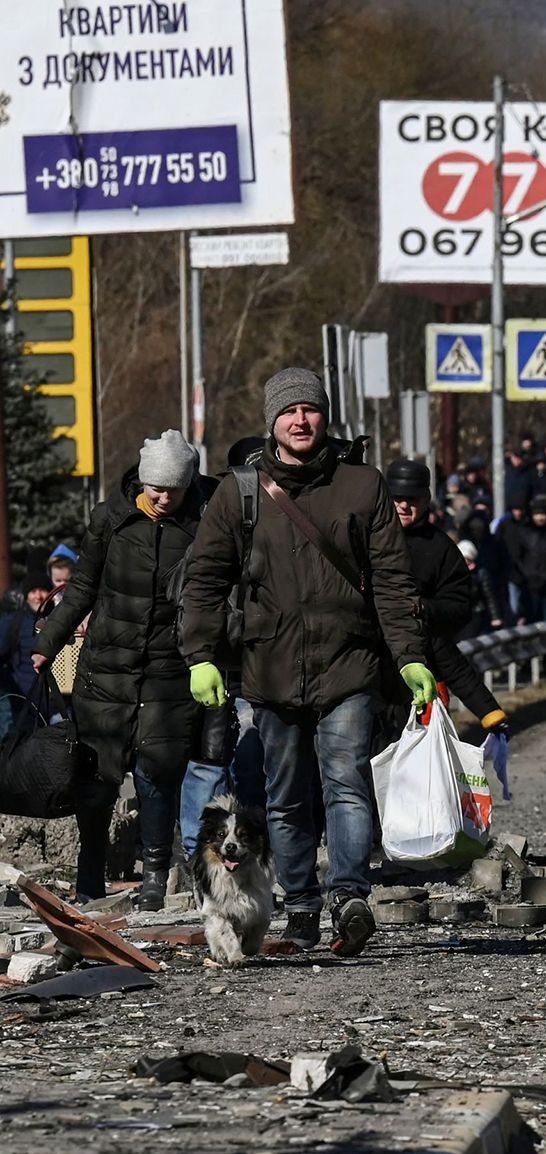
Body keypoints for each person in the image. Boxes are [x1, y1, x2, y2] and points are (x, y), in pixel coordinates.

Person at [180, 368, 435, 956]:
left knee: (346, 783)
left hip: (348, 664)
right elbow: (204, 581)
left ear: (326, 417)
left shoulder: (362, 486)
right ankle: (299, 908)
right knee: (286, 796)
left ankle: (349, 897)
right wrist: (201, 656)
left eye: (311, 410)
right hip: (269, 669)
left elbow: (394, 582)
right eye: (289, 411)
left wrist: (410, 657)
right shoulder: (237, 492)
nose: (301, 421)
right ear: (272, 421)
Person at [30, 431, 215, 906]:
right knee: (96, 778)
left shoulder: (204, 521)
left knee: (159, 772)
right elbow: (82, 587)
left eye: (173, 489)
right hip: (106, 669)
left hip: (169, 672)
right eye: (155, 487)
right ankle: (90, 874)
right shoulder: (110, 520)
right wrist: (48, 642)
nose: (162, 496)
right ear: (142, 479)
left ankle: (155, 875)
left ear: (188, 483)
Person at [385, 459, 509, 742]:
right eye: (397, 499)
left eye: (411, 499)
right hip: (368, 677)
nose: (403, 506)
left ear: (426, 500)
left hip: (425, 671)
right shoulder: (365, 539)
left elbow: (458, 609)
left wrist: (424, 609)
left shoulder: (441, 550)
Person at [500, 497, 546, 625]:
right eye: (537, 514)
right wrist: (528, 574)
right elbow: (518, 558)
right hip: (529, 586)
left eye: (543, 514)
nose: (540, 518)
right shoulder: (524, 534)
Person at [0, 572, 52, 739]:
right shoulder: (14, 623)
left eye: (43, 590)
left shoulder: (61, 620)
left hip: (58, 706)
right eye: (33, 591)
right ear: (26, 595)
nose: (38, 596)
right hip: (23, 706)